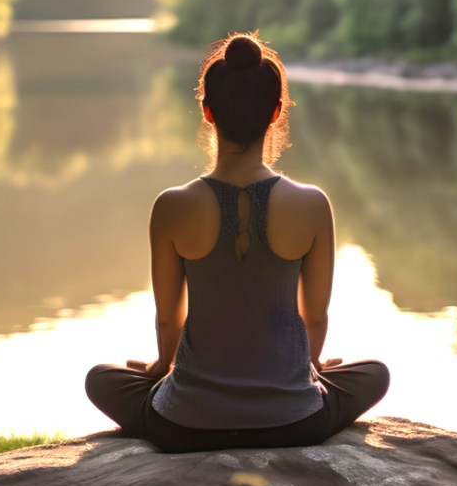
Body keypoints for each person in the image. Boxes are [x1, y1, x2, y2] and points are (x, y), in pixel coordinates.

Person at [84, 32, 389, 453]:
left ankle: (178, 401)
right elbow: (314, 317)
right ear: (276, 112)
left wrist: (160, 368)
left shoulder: (172, 206)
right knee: (375, 373)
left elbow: (169, 321)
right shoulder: (311, 204)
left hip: (185, 426)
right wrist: (312, 369)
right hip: (295, 423)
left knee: (101, 378)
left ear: (207, 112)